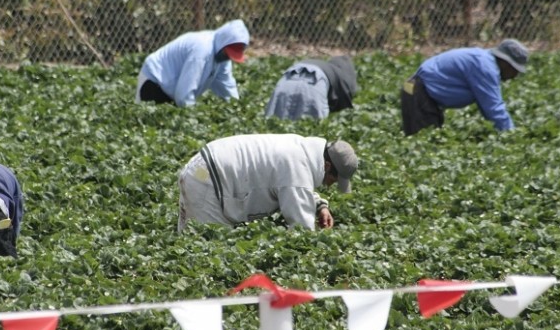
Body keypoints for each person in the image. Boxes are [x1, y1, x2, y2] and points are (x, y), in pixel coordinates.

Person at [177, 134, 358, 232]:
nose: (331, 185)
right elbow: (302, 228)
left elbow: (295, 184)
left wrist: (320, 206)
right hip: (207, 177)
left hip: (205, 167)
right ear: (326, 165)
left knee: (191, 239)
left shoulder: (302, 152)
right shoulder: (297, 166)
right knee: (205, 242)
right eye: (334, 179)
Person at [400, 38, 529, 136]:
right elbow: (493, 108)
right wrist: (510, 135)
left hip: (419, 92)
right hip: (418, 92)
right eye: (515, 70)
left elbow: (488, 107)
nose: (515, 75)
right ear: (506, 63)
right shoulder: (485, 66)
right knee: (423, 143)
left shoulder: (484, 60)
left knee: (428, 139)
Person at [136, 19, 250, 107]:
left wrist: (236, 107)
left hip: (173, 89)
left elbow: (226, 84)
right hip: (155, 81)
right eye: (228, 53)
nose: (227, 58)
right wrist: (193, 117)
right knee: (153, 123)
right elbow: (184, 93)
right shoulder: (202, 50)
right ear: (223, 44)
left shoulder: (222, 56)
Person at [264, 55, 358, 120]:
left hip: (287, 78)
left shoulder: (326, 66)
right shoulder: (345, 77)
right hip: (315, 81)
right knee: (312, 131)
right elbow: (345, 100)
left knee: (276, 122)